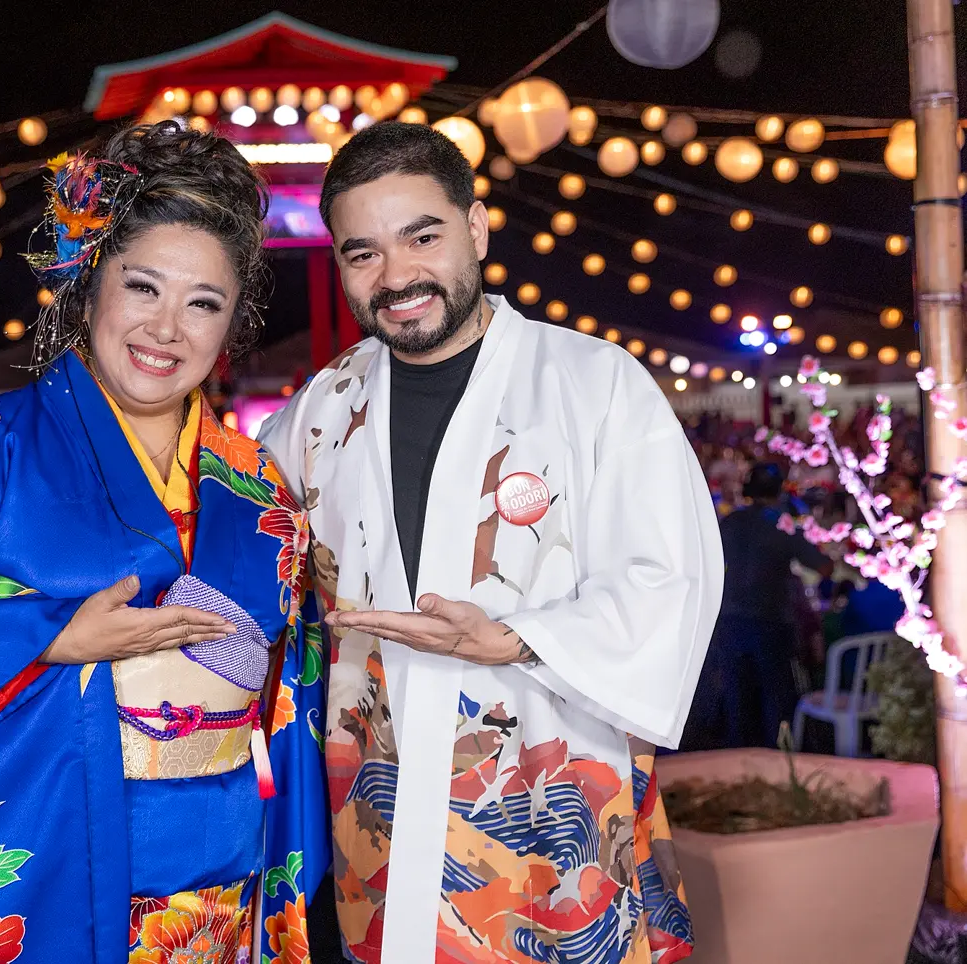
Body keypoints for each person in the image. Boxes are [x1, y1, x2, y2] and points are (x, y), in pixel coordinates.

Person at [0, 122, 328, 964]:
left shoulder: (259, 490)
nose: (167, 329)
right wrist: (56, 637)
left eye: (204, 303)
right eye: (143, 288)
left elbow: (289, 702)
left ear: (232, 323)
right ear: (91, 284)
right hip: (44, 863)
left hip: (213, 895)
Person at [260, 122, 724, 963]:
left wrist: (512, 637)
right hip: (376, 805)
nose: (396, 277)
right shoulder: (319, 412)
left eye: (422, 237)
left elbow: (671, 578)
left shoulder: (595, 383)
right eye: (362, 253)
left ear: (476, 228)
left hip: (551, 808)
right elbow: (248, 557)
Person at [688, 462, 834, 750]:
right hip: (771, 619)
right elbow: (824, 566)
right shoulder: (782, 524)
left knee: (737, 698)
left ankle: (735, 763)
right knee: (774, 698)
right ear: (779, 491)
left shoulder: (730, 522)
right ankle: (776, 765)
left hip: (729, 618)